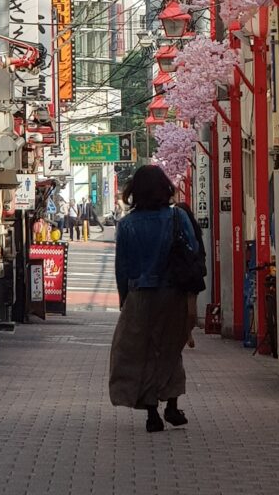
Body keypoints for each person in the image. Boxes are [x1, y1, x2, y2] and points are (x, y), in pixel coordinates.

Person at [108, 165, 202, 433]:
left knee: (143, 352)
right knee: (171, 349)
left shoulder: (126, 225)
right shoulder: (176, 218)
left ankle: (151, 412)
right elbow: (193, 250)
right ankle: (171, 404)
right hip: (173, 294)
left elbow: (122, 268)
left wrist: (124, 300)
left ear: (134, 192)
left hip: (140, 296)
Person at [178, 202, 207, 348]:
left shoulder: (195, 233)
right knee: (182, 312)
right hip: (180, 276)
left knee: (191, 313)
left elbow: (201, 252)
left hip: (191, 275)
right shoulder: (174, 232)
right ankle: (184, 335)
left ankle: (186, 333)